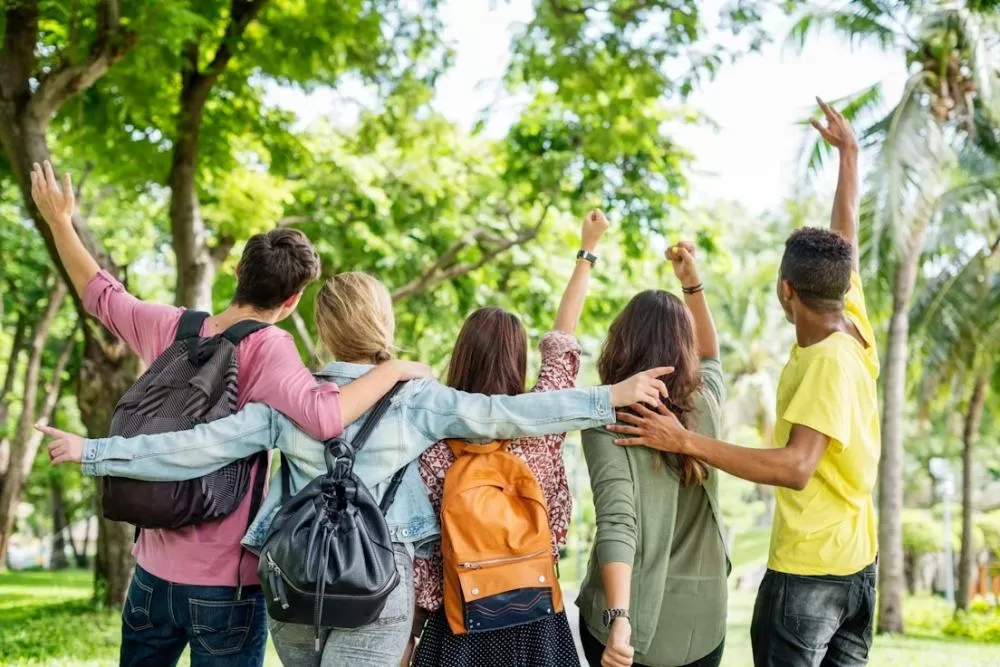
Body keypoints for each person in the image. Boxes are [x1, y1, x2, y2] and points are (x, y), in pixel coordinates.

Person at [40, 270, 671, 667]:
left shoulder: (288, 401)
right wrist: (608, 397)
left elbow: (193, 447)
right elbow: (512, 414)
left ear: (322, 329)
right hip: (378, 587)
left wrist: (94, 451)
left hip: (293, 585)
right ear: (383, 324)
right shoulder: (415, 399)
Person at [30, 162, 427, 667]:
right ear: (292, 301)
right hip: (225, 585)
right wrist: (394, 370)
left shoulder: (171, 327)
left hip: (150, 574)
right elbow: (324, 417)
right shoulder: (272, 348)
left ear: (237, 272)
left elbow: (101, 295)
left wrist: (60, 221)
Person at [608, 99, 879, 667]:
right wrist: (849, 156)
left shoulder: (827, 362)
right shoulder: (851, 319)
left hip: (811, 576)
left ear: (786, 290)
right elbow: (845, 235)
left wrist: (684, 440)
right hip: (858, 566)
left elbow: (795, 466)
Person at [409, 210, 610, 667]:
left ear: (461, 357)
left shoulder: (432, 441)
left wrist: (410, 635)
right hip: (536, 617)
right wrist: (587, 250)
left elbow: (424, 556)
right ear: (518, 360)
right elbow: (562, 341)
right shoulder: (541, 427)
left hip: (459, 623)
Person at [576, 240, 728, 667]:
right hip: (702, 625)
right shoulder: (705, 404)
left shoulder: (608, 418)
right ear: (684, 346)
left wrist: (619, 619)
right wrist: (692, 285)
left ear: (621, 342)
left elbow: (617, 521)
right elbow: (711, 356)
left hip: (629, 624)